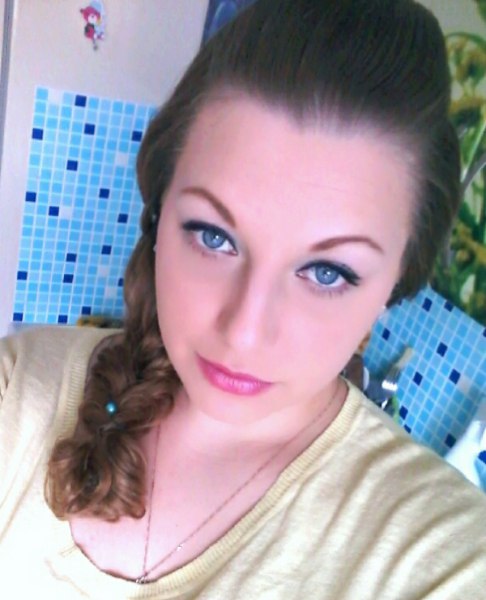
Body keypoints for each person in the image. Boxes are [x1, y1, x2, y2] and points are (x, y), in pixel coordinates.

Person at [1, 0, 485, 597]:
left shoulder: (445, 558)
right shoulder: (20, 390)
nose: (244, 332)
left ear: (397, 281)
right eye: (214, 236)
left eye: (327, 272)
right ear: (160, 214)